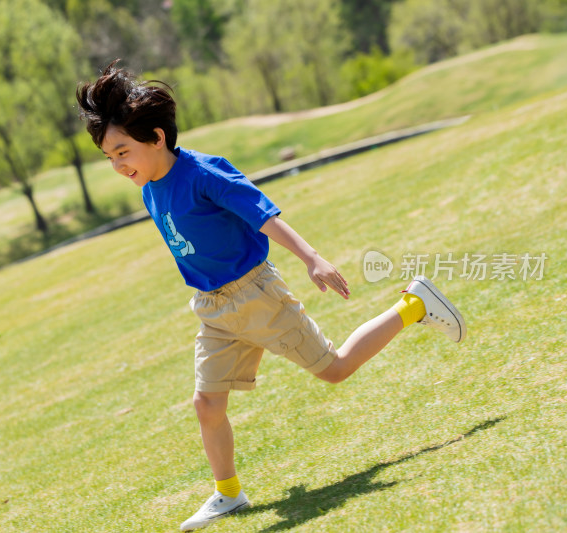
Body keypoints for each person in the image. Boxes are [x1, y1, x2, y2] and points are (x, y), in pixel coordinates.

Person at [76, 60, 466, 531]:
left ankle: (415, 304)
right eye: (110, 158)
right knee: (207, 404)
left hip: (255, 295)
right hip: (213, 309)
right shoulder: (149, 188)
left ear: (157, 137)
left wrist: (312, 257)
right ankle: (228, 494)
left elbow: (262, 214)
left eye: (123, 151)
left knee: (336, 369)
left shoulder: (205, 174)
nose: (118, 166)